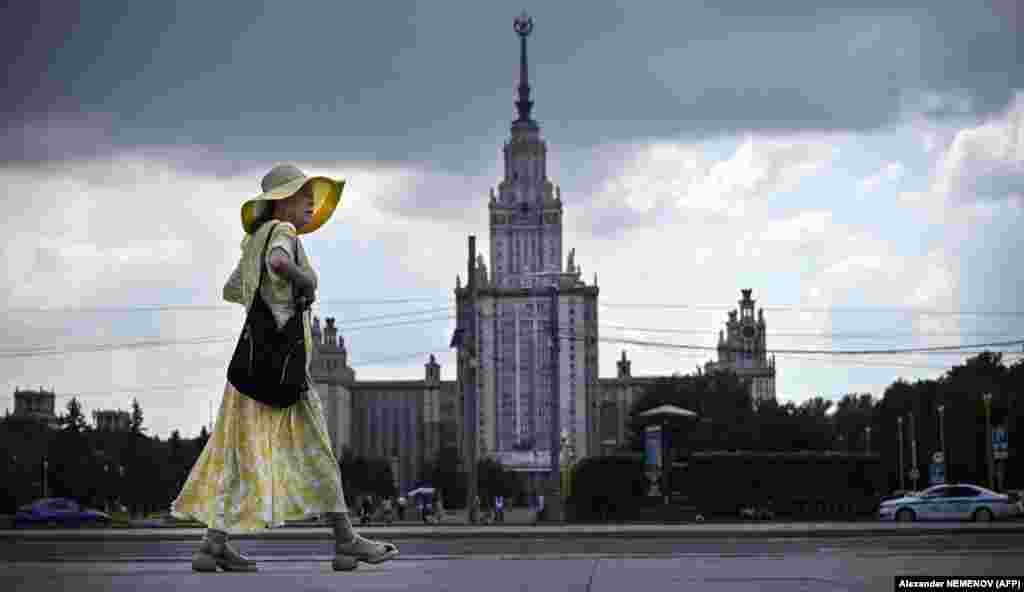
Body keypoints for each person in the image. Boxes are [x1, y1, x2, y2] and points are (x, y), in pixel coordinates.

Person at [170, 164, 398, 573]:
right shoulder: (283, 233)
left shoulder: (252, 240)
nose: (311, 203)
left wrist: (269, 301)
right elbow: (278, 264)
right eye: (303, 195)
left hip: (249, 371)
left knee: (236, 457)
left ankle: (212, 545)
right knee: (319, 452)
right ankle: (346, 542)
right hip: (284, 371)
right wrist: (305, 281)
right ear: (283, 202)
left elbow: (232, 288)